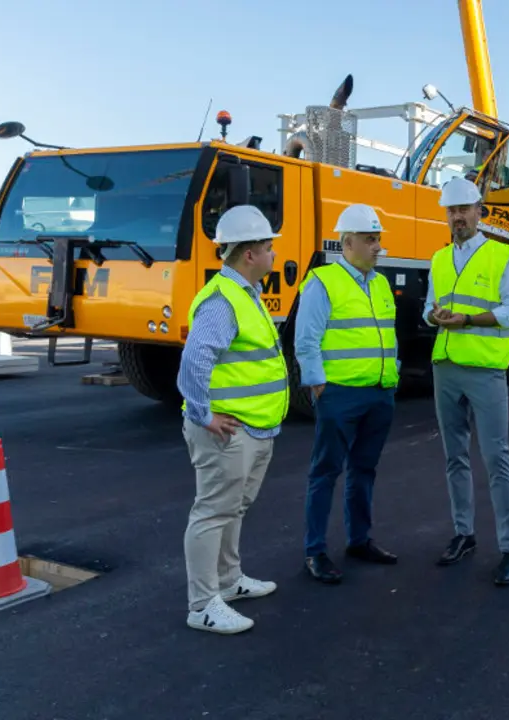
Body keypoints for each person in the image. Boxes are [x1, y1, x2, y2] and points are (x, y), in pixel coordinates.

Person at [177, 204, 288, 635]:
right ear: (249, 255)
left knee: (232, 508)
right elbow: (194, 362)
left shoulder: (245, 294)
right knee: (213, 511)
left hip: (252, 426)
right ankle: (203, 604)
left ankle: (228, 581)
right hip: (226, 430)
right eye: (268, 247)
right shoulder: (224, 300)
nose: (273, 254)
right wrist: (203, 415)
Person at [423, 177, 509, 586]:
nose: (457, 217)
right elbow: (429, 307)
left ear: (479, 211)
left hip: (484, 368)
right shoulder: (439, 259)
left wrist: (466, 320)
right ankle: (464, 534)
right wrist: (433, 316)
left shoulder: (502, 256)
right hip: (445, 364)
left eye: (464, 209)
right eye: (451, 211)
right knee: (454, 457)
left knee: (497, 458)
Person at [294, 204, 400, 584]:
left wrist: (394, 373)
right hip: (340, 395)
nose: (377, 247)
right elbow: (306, 340)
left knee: (364, 470)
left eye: (378, 239)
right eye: (371, 240)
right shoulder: (323, 282)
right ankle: (315, 551)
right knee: (325, 471)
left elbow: (387, 335)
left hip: (379, 393)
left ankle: (359, 540)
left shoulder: (381, 282)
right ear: (348, 242)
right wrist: (318, 384)